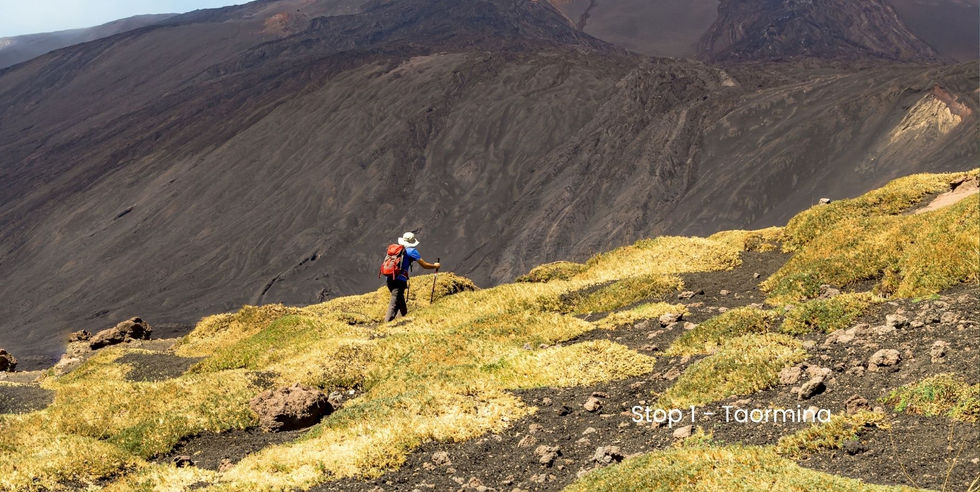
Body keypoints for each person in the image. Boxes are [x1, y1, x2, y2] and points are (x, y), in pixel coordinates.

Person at [386, 232, 440, 322]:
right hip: (399, 281)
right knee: (394, 303)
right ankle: (386, 325)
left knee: (400, 304)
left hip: (389, 279)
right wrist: (435, 266)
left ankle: (401, 321)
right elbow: (424, 265)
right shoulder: (411, 251)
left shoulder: (395, 249)